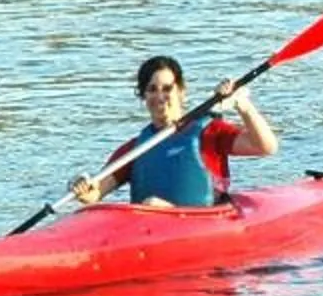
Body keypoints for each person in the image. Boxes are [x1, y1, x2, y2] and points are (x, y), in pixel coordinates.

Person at [71, 54, 278, 210]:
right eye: (152, 89)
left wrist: (243, 105)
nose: (160, 96)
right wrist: (81, 187)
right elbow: (95, 194)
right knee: (151, 204)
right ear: (143, 97)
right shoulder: (135, 149)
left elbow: (266, 146)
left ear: (181, 92)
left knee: (152, 204)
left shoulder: (209, 133)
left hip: (199, 226)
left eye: (167, 88)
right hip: (147, 228)